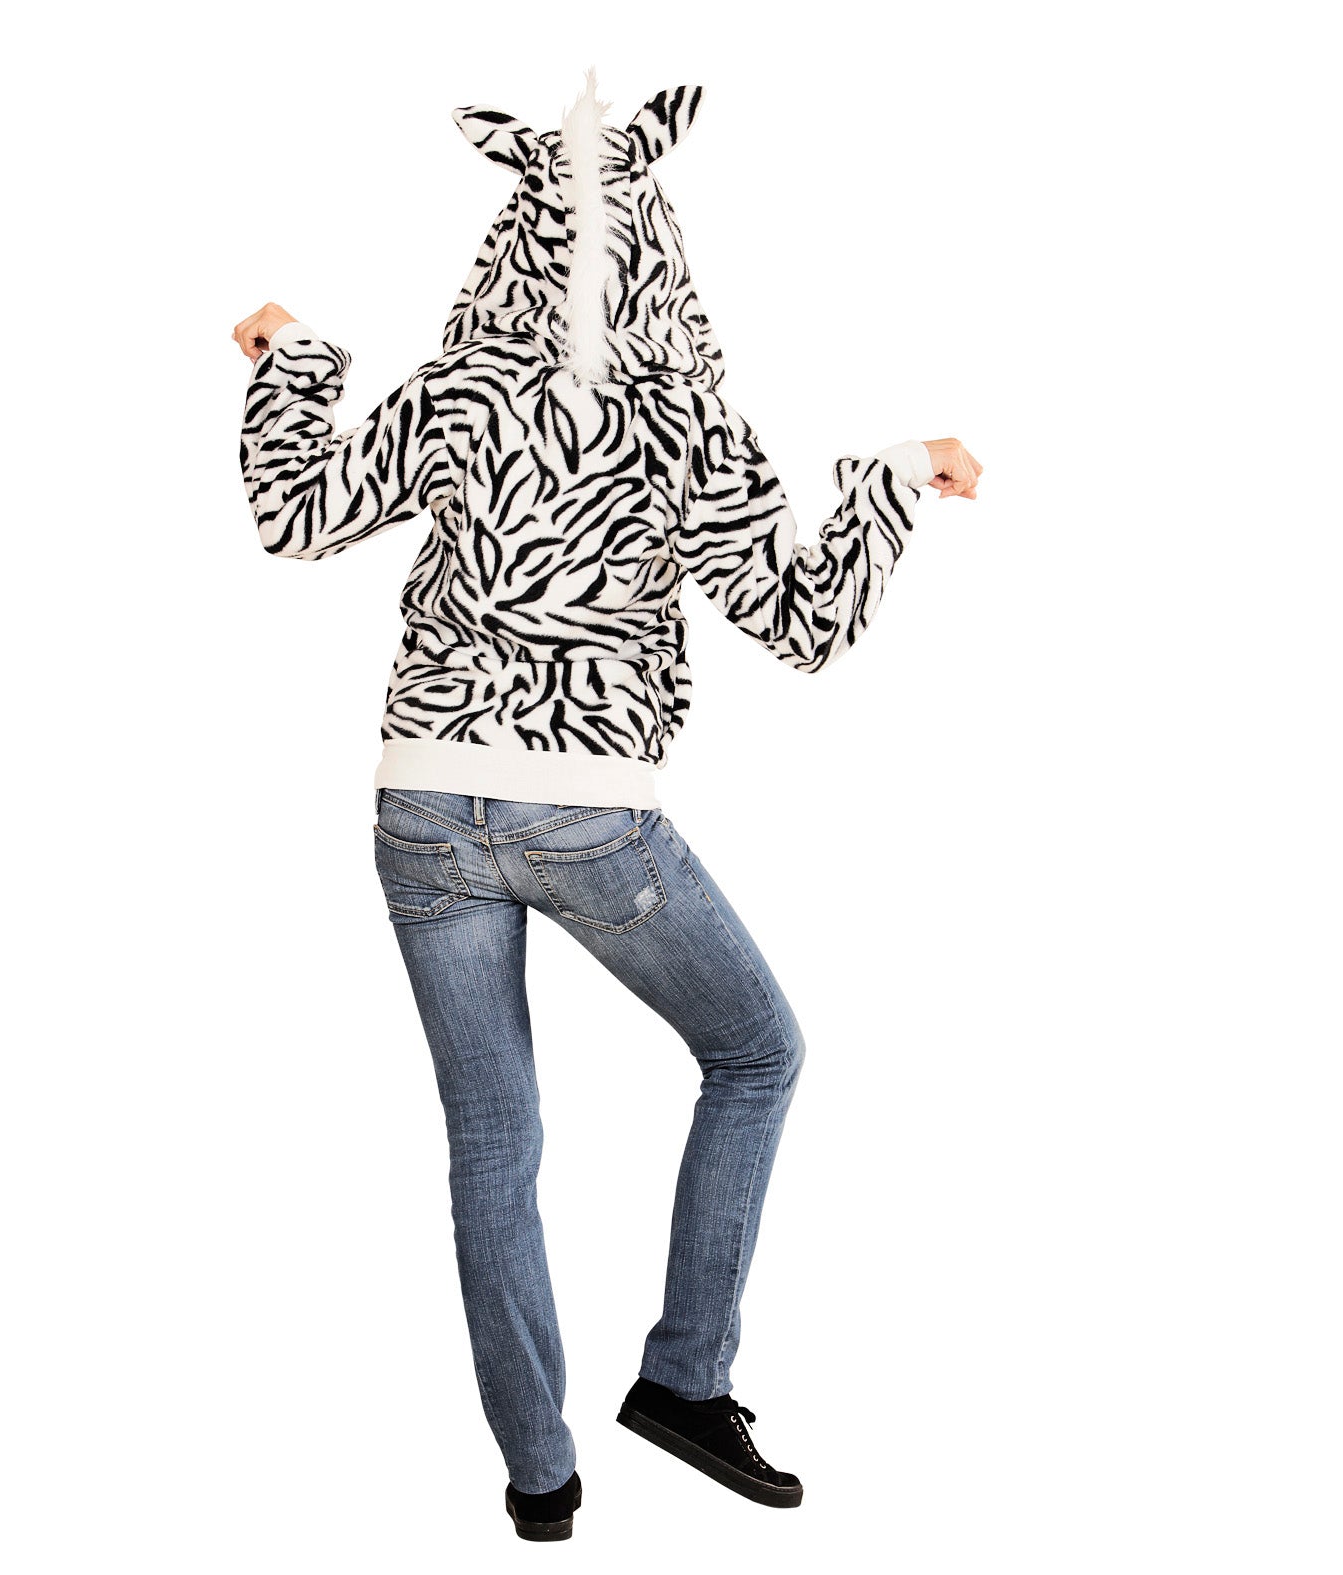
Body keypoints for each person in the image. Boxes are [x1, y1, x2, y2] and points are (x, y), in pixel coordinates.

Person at [233, 70, 982, 1544]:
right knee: (757, 1052)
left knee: (492, 1144)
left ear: (510, 238)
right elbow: (804, 622)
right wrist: (898, 480)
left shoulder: (457, 388)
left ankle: (541, 1480)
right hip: (583, 815)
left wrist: (291, 358)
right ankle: (686, 1383)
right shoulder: (680, 413)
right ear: (655, 247)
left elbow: (294, 515)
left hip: (419, 805)